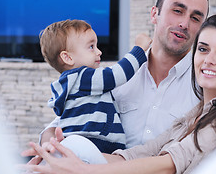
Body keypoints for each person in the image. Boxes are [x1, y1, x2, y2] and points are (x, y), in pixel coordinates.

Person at [22, 14, 216, 174]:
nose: (209, 60)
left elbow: (171, 163)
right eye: (203, 49)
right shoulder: (195, 112)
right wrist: (57, 153)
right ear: (155, 15)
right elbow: (142, 152)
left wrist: (86, 170)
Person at [33, 0, 216, 159]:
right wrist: (50, 144)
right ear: (154, 14)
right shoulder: (114, 76)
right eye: (177, 11)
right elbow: (65, 120)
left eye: (195, 18)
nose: (184, 24)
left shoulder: (206, 84)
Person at [38, 19, 152, 154]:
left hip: (83, 145)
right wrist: (139, 49)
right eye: (91, 47)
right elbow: (117, 74)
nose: (99, 52)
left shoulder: (69, 83)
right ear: (68, 58)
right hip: (94, 143)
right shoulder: (83, 77)